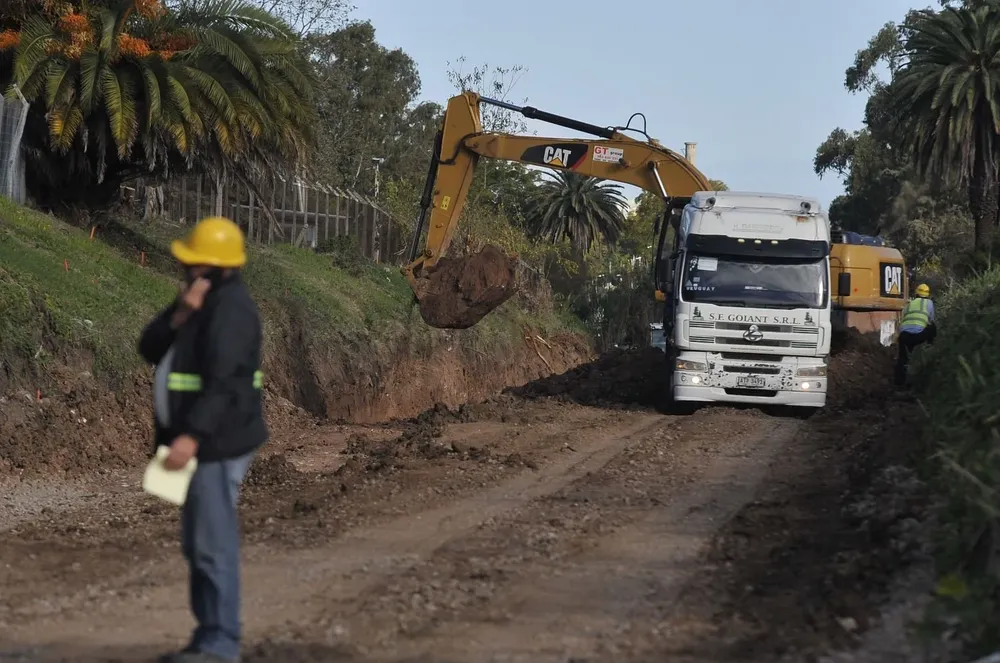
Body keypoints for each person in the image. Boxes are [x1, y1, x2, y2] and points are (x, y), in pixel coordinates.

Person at [138, 216, 268, 663]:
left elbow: (227, 381)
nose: (186, 270)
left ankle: (220, 643)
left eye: (195, 264)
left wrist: (192, 437)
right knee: (198, 542)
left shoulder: (232, 311)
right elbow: (149, 347)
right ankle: (208, 635)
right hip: (200, 440)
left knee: (213, 543)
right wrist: (180, 313)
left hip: (216, 441)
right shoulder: (201, 302)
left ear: (217, 267)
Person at [895, 282, 936, 386]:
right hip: (919, 335)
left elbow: (902, 320)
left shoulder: (909, 304)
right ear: (928, 295)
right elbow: (931, 320)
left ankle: (899, 383)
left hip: (904, 335)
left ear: (916, 293)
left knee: (902, 358)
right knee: (932, 327)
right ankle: (931, 347)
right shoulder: (929, 303)